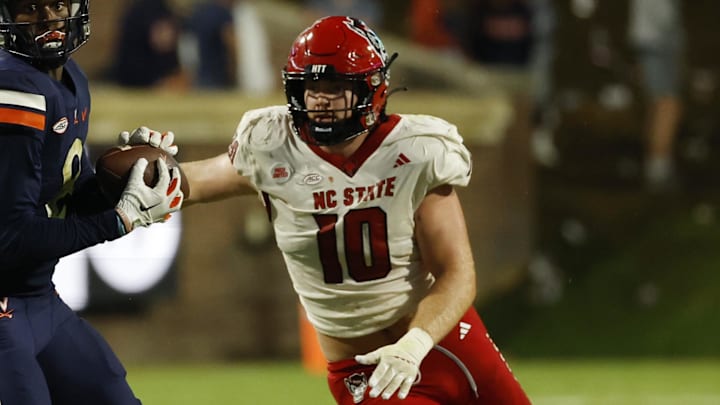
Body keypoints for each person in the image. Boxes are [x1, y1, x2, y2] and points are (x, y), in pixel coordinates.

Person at [176, 16, 531, 403]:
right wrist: (148, 176)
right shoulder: (273, 147)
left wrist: (414, 345)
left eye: (334, 88)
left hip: (443, 342)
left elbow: (456, 272)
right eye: (311, 88)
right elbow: (194, 181)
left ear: (372, 89)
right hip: (362, 369)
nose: (320, 101)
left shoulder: (415, 151)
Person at [0, 1, 184, 404]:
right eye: (29, 7)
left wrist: (120, 182)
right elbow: (11, 238)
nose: (48, 18)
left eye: (57, 4)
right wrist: (118, 221)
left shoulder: (71, 79)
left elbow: (67, 194)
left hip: (37, 298)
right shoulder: (11, 87)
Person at [628, 0, 685, 191]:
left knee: (658, 103)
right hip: (657, 39)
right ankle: (658, 169)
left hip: (654, 37)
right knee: (667, 103)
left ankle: (656, 166)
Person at [110, 0, 186, 89]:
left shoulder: (161, 8)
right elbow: (162, 39)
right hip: (137, 82)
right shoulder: (142, 12)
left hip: (149, 79)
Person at [186, 0, 237, 89]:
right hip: (218, 76)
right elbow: (231, 45)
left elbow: (187, 43)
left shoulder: (199, 11)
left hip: (199, 76)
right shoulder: (223, 13)